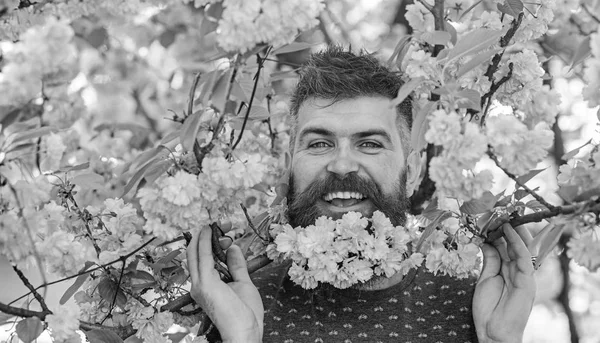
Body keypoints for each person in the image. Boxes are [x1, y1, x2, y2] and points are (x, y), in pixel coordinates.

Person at [186, 46, 537, 343]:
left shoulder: (469, 305)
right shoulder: (241, 305)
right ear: (289, 166)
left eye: (369, 144)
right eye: (320, 143)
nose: (341, 165)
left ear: (412, 172)